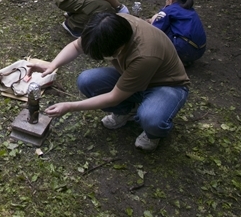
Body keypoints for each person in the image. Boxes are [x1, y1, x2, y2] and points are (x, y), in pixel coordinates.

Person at [28, 12, 190, 152]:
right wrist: (53, 64)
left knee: (151, 119)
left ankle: (154, 133)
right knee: (87, 80)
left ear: (119, 49)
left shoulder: (144, 55)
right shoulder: (110, 26)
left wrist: (70, 106)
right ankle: (127, 110)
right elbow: (77, 47)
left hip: (165, 84)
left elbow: (113, 97)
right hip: (131, 76)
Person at [149, 0, 207, 66]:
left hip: (184, 50)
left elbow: (154, 30)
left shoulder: (170, 9)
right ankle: (183, 60)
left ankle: (170, 60)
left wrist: (152, 20)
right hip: (200, 51)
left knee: (157, 29)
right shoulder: (191, 11)